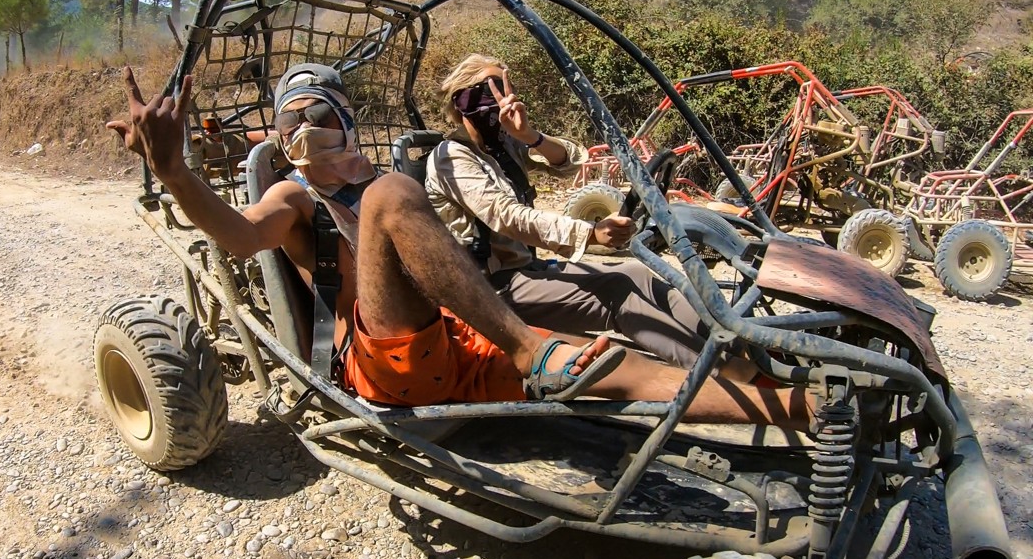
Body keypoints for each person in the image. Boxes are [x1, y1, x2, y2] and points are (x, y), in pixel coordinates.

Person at [106, 63, 811, 428]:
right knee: (388, 196)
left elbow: (557, 166)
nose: (310, 124)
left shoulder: (389, 177)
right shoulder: (294, 197)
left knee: (610, 364)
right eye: (297, 116)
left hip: (458, 341)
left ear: (346, 119)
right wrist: (174, 171)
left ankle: (798, 409)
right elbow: (237, 233)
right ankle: (532, 347)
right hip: (379, 366)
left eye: (320, 109)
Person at [427, 54, 707, 369]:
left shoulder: (501, 146)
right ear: (467, 99)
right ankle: (719, 373)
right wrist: (590, 233)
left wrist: (529, 136)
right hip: (491, 289)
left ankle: (732, 346)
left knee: (638, 275)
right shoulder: (451, 158)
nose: (508, 98)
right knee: (618, 293)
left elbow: (570, 160)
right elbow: (506, 217)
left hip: (525, 269)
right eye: (497, 89)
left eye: (509, 88)